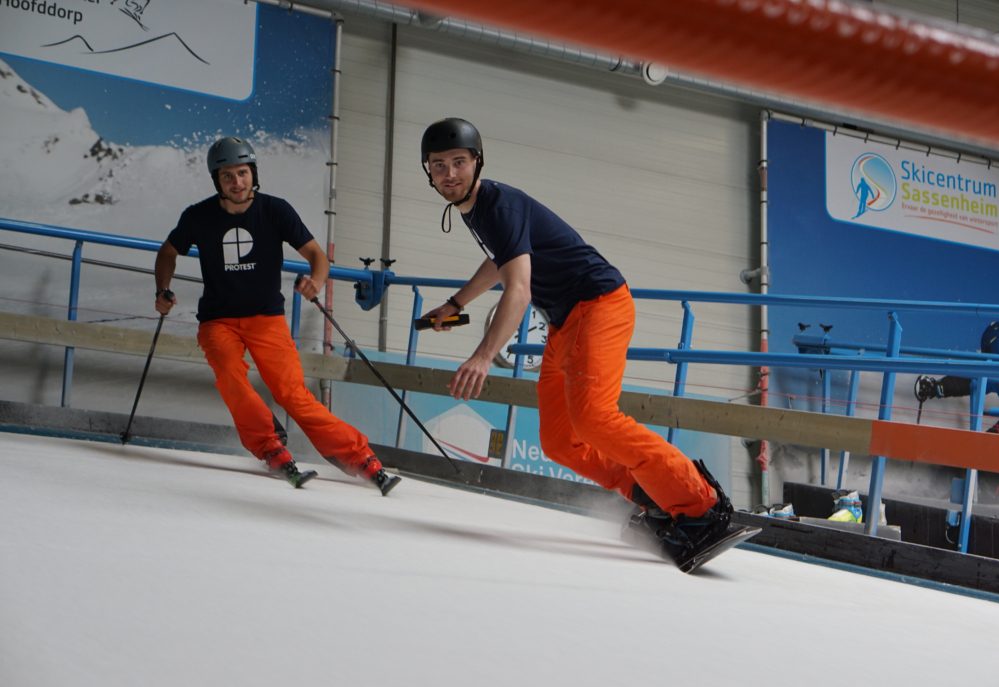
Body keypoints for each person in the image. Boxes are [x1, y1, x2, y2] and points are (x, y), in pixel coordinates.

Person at [417, 117, 738, 569]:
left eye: (458, 163)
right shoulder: (478, 210)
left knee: (594, 419)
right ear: (427, 171)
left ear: (478, 161)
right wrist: (455, 303)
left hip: (600, 303)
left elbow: (519, 289)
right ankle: (650, 495)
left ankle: (701, 505)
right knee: (560, 442)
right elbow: (500, 261)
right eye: (438, 166)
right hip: (566, 320)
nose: (449, 174)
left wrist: (483, 356)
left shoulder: (499, 205)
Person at [153, 136, 400, 495]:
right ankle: (269, 445)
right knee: (229, 376)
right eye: (227, 176)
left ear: (253, 174)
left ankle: (360, 457)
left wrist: (317, 281)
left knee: (292, 393)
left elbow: (317, 255)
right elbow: (167, 252)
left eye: (242, 173)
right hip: (218, 321)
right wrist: (163, 290)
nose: (237, 182)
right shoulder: (198, 216)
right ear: (216, 181)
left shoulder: (275, 211)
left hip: (266, 320)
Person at [914, 320, 999, 436]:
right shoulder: (992, 377)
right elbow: (968, 380)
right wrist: (936, 387)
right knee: (984, 444)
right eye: (995, 370)